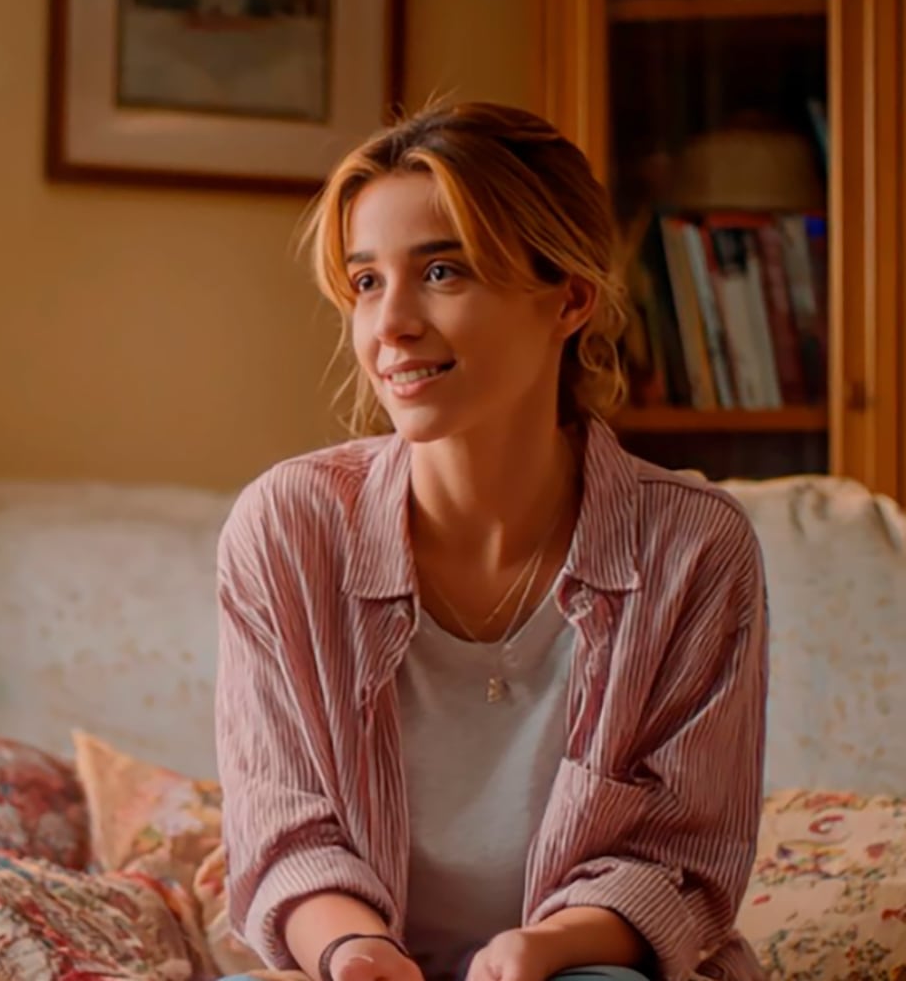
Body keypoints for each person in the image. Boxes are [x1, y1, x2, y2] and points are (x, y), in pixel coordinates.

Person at [214, 103, 768, 981]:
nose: (390, 324)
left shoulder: (695, 548)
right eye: (367, 282)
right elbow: (281, 829)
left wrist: (541, 950)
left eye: (442, 271)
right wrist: (356, 953)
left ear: (570, 299)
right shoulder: (287, 529)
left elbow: (682, 858)